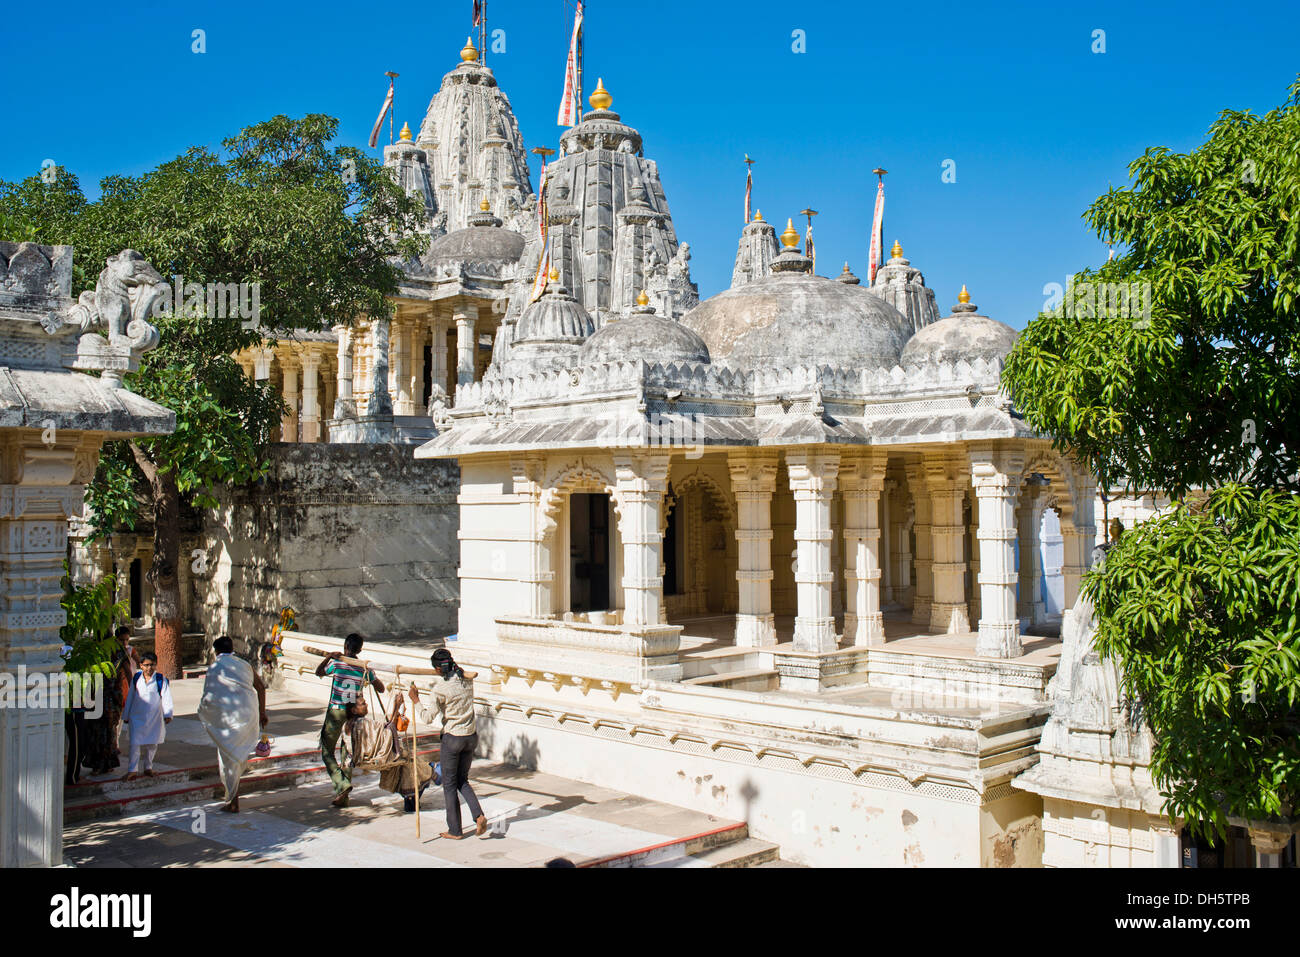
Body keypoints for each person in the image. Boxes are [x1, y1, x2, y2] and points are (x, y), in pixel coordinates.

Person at [408, 648, 487, 839]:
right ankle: (478, 815)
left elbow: (427, 718)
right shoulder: (467, 679)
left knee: (449, 785)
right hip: (470, 736)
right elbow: (457, 673)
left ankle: (455, 830)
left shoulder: (440, 689)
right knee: (462, 780)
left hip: (453, 739)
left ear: (437, 669)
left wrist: (416, 700)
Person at [198, 636, 268, 813]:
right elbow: (260, 687)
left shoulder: (214, 667)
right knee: (236, 758)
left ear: (217, 652)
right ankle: (232, 799)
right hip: (247, 716)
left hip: (227, 719)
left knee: (227, 759)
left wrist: (204, 711)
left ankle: (233, 801)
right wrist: (262, 713)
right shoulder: (244, 665)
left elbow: (209, 697)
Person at [316, 633, 384, 809]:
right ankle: (343, 797)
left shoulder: (337, 663)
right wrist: (371, 675)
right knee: (347, 755)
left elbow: (319, 672)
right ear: (360, 649)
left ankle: (342, 784)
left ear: (345, 646)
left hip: (336, 712)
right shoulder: (363, 668)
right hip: (353, 716)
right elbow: (381, 688)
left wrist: (328, 657)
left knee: (327, 751)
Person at [120, 652, 174, 780]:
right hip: (136, 716)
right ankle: (132, 769)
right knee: (134, 743)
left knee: (152, 744)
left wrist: (168, 714)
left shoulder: (161, 680)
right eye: (146, 665)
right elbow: (130, 697)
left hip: (154, 718)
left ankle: (148, 767)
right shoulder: (136, 678)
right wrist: (126, 715)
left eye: (152, 665)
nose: (149, 668)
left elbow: (166, 698)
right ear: (141, 665)